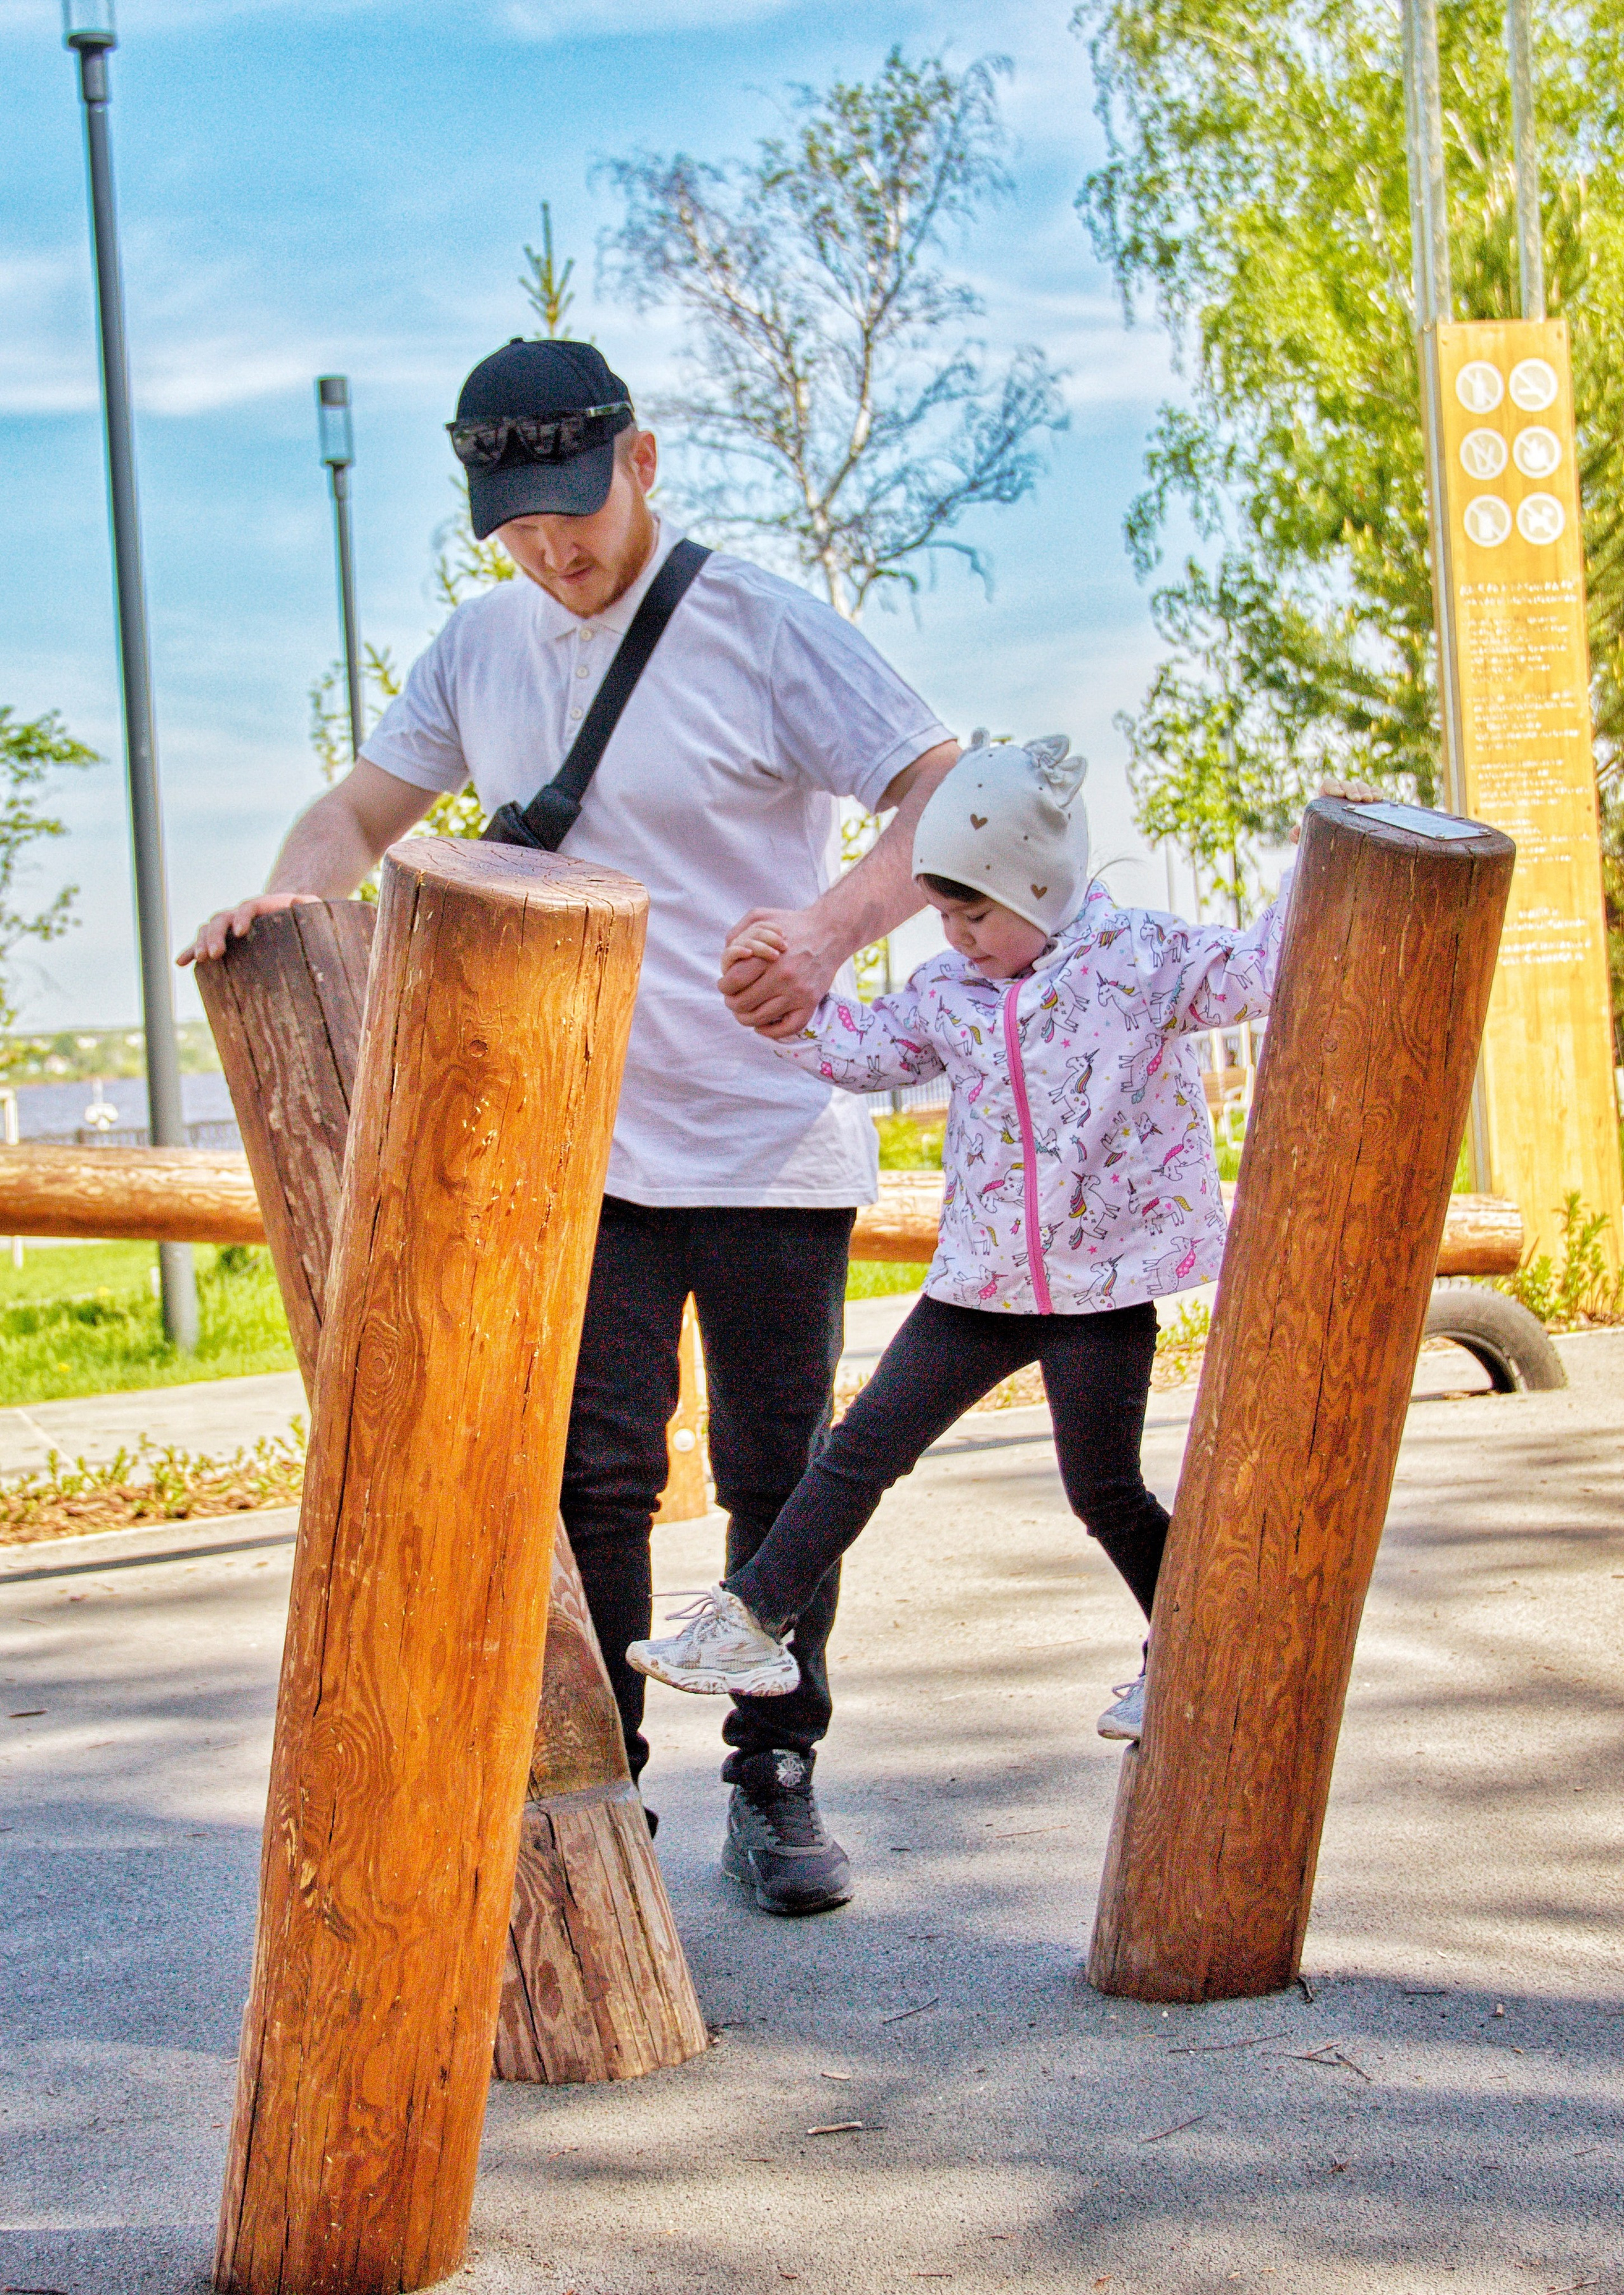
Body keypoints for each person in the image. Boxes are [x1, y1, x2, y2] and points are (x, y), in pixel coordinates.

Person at [180, 337, 959, 1916]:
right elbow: (355, 815)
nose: (555, 551)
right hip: (571, 1144)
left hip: (766, 1136)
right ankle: (609, 1796)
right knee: (592, 1475)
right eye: (518, 527)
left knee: (772, 1468)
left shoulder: (754, 626)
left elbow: (943, 786)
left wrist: (822, 934)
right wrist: (289, 897)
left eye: (574, 512)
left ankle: (775, 1767)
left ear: (643, 462)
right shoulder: (481, 648)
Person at [627, 729, 1299, 1739]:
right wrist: (789, 1014)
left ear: (1037, 885)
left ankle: (1192, 1655)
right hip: (979, 1282)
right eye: (942, 914)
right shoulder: (951, 995)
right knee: (858, 1450)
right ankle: (752, 1620)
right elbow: (869, 1050)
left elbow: (1254, 972)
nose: (954, 937)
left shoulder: (1143, 961)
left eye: (973, 913)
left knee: (1105, 1490)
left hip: (1100, 1288)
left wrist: (1312, 861)